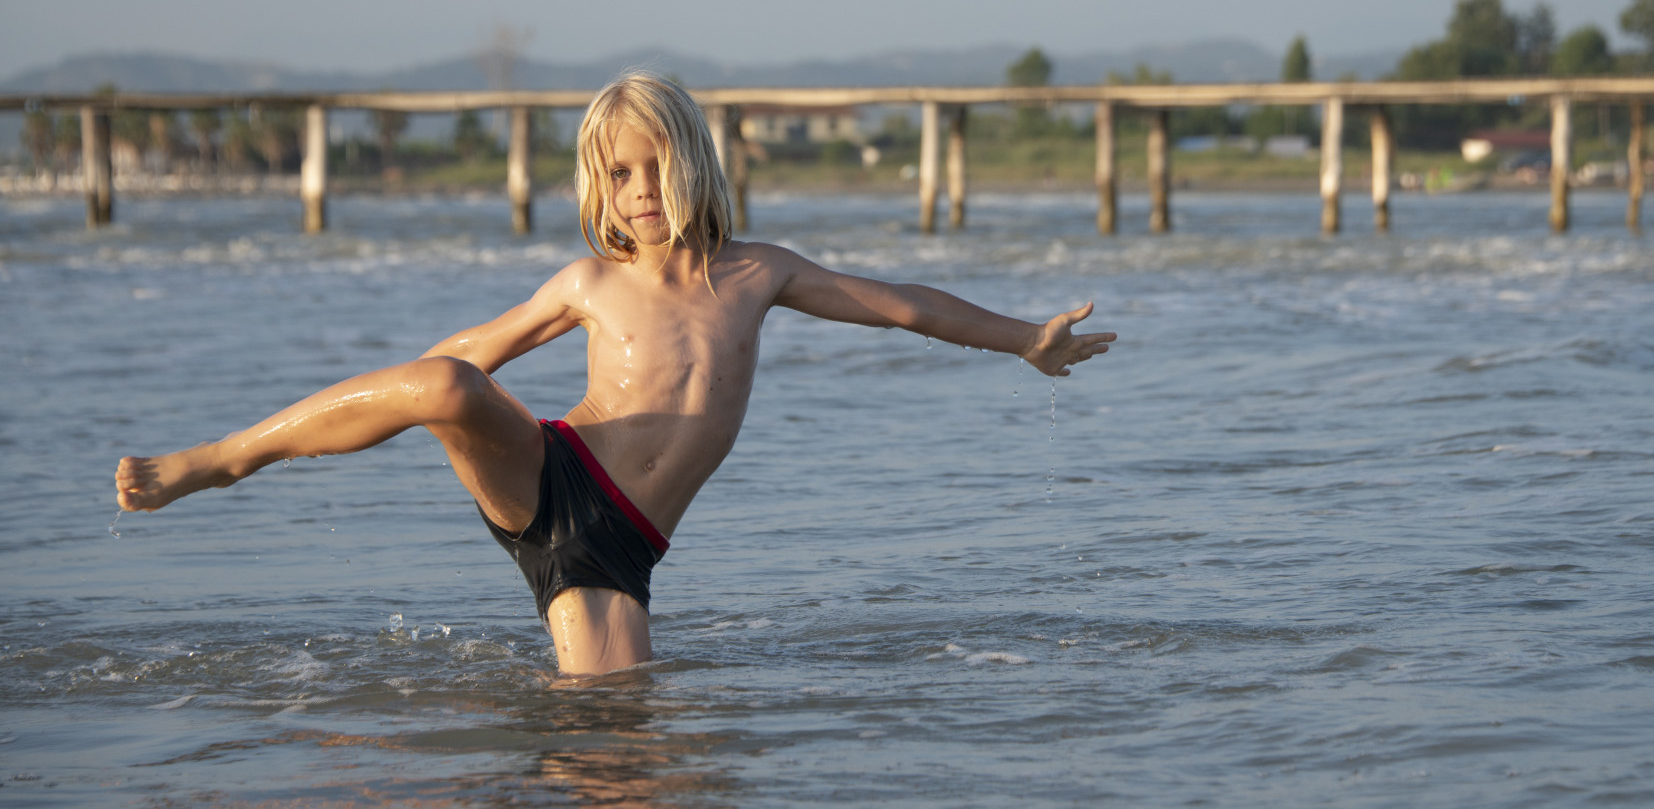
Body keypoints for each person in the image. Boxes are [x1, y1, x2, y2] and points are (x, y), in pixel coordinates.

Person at [114, 72, 1115, 674]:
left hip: (619, 549)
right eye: (618, 175)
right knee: (448, 387)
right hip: (550, 476)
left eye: (653, 166)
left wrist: (1025, 337)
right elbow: (474, 350)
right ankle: (224, 459)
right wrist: (420, 387)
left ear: (695, 162)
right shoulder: (590, 281)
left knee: (619, 743)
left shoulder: (762, 274)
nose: (639, 192)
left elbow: (900, 303)